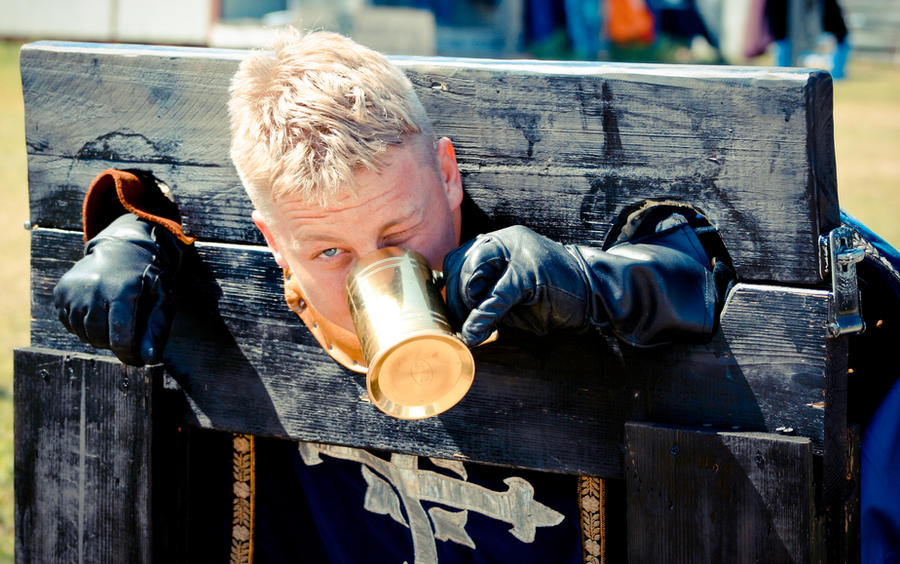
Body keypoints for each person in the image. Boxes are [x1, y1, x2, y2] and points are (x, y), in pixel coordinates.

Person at [54, 29, 732, 563]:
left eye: (400, 231)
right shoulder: (227, 275)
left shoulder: (540, 277)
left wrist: (600, 282)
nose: (375, 272)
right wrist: (131, 228)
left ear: (447, 174)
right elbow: (151, 206)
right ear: (271, 241)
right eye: (329, 252)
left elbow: (708, 267)